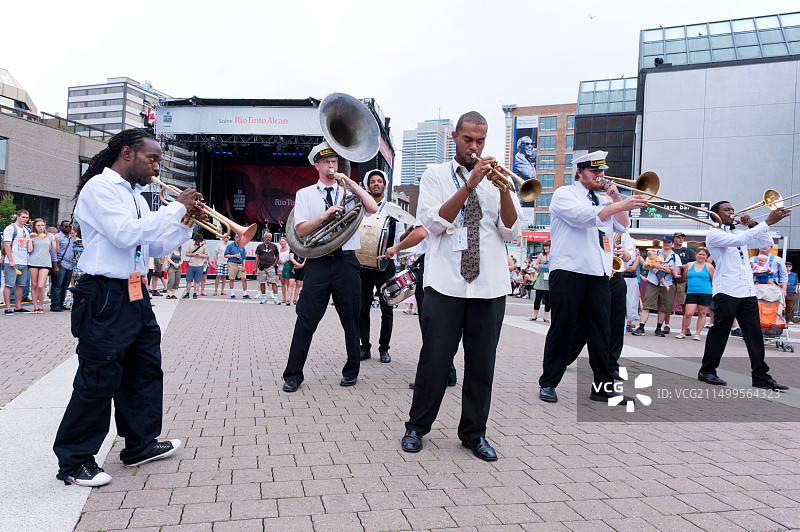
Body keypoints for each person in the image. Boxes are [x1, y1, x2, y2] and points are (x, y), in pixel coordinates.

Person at [53, 128, 200, 487]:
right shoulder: (100, 189)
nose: (155, 167)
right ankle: (74, 462)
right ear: (126, 154)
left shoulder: (135, 195)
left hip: (135, 292)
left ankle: (140, 444)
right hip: (103, 292)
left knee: (144, 370)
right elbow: (123, 233)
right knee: (98, 378)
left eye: (158, 161)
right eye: (152, 159)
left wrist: (185, 224)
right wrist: (178, 206)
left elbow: (149, 245)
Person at [401, 111, 522, 461]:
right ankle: (416, 427)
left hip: (488, 286)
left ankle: (474, 433)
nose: (474, 146)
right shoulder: (435, 174)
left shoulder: (496, 180)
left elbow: (510, 231)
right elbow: (435, 222)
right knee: (435, 361)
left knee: (482, 365)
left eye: (481, 140)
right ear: (454, 136)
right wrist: (470, 184)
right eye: (468, 139)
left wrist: (505, 192)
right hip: (446, 285)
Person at [538, 150, 648, 404]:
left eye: (602, 171)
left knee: (603, 332)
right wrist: (617, 204)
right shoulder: (564, 194)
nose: (600, 175)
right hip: (569, 272)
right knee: (563, 329)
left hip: (599, 273)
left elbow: (623, 226)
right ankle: (549, 382)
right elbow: (584, 218)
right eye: (594, 171)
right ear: (580, 172)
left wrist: (616, 197)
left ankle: (602, 388)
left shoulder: (602, 199)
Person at [281, 141, 378, 392]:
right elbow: (300, 230)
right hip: (318, 262)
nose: (331, 165)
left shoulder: (349, 190)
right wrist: (325, 215)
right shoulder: (305, 194)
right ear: (317, 165)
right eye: (326, 162)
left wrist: (353, 182)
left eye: (334, 161)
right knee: (305, 318)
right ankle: (293, 374)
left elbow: (372, 207)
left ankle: (352, 370)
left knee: (351, 319)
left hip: (346, 261)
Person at [698, 200, 790, 391]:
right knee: (720, 332)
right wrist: (767, 222)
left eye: (732, 208)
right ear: (716, 215)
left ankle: (760, 376)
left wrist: (753, 224)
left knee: (754, 334)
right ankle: (707, 371)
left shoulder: (740, 232)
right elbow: (737, 242)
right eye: (727, 210)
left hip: (747, 290)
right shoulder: (714, 234)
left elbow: (765, 243)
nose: (732, 212)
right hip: (727, 290)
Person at [386, 223, 458, 388]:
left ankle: (432, 376)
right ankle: (448, 372)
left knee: (429, 324)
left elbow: (421, 233)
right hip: (446, 262)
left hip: (431, 262)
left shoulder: (430, 201)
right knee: (442, 324)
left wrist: (396, 248)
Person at [566, 228, 636, 380]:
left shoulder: (621, 231)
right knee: (584, 323)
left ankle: (611, 364)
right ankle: (567, 356)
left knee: (616, 324)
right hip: (592, 275)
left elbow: (631, 255)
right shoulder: (591, 223)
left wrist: (624, 254)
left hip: (614, 276)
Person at [359, 169, 398, 364]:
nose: (376, 184)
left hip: (385, 266)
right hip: (363, 267)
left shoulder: (392, 209)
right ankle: (364, 347)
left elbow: (398, 236)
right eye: (373, 181)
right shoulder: (360, 207)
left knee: (387, 310)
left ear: (384, 185)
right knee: (362, 309)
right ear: (368, 186)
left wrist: (394, 250)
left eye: (379, 181)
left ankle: (384, 349)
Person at [632, 236, 682, 337]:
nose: (666, 244)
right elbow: (645, 266)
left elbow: (678, 271)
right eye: (664, 242)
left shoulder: (675, 256)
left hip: (667, 283)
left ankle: (659, 328)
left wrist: (666, 270)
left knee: (664, 307)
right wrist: (655, 266)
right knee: (647, 305)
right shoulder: (655, 253)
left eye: (668, 242)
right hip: (653, 282)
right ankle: (641, 327)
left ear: (672, 243)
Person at [676, 246, 714, 340]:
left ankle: (697, 333)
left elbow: (714, 280)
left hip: (705, 292)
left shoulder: (709, 266)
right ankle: (683, 332)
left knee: (702, 313)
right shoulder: (689, 265)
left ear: (706, 256)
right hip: (691, 292)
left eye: (703, 255)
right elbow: (685, 277)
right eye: (699, 254)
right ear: (696, 255)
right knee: (688, 313)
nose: (701, 256)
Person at [665, 232, 695, 334]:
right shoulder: (669, 250)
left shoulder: (688, 251)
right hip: (669, 279)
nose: (681, 239)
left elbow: (694, 265)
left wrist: (681, 266)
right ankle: (666, 325)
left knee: (684, 304)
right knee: (668, 303)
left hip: (683, 280)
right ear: (673, 239)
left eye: (682, 238)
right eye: (678, 237)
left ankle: (686, 327)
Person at [3, 209, 31, 315]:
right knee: (9, 284)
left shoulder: (26, 230)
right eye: (23, 217)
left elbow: (28, 246)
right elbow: (6, 245)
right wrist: (10, 260)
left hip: (23, 261)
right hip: (13, 260)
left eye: (27, 218)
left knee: (20, 285)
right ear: (18, 216)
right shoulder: (11, 228)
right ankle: (8, 307)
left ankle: (18, 307)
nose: (25, 219)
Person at [27, 218, 58, 314]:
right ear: (35, 227)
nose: (41, 227)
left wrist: (56, 241)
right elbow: (29, 250)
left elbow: (56, 250)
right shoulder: (32, 236)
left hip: (45, 262)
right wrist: (30, 239)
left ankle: (41, 306)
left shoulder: (49, 236)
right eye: (38, 225)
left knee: (41, 285)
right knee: (34, 285)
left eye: (42, 225)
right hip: (33, 262)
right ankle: (35, 306)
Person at [255, 232, 280, 305]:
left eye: (269, 237)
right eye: (266, 237)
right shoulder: (260, 246)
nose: (268, 238)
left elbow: (277, 255)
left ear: (271, 238)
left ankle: (276, 298)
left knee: (273, 282)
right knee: (262, 282)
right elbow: (257, 257)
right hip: (262, 267)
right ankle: (264, 298)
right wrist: (255, 267)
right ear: (264, 238)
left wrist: (275, 263)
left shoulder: (274, 246)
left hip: (271, 267)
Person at [530, 240, 551, 322]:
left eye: (547, 246)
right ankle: (535, 315)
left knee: (548, 299)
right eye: (544, 246)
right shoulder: (541, 255)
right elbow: (536, 264)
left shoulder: (553, 255)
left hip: (549, 279)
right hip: (541, 278)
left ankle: (545, 316)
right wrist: (537, 267)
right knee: (538, 298)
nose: (545, 248)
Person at [623, 247, 643, 332]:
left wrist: (622, 269)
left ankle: (628, 322)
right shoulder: (622, 254)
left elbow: (634, 268)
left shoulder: (637, 256)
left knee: (631, 301)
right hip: (622, 278)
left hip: (632, 279)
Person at [182, 233, 208, 299]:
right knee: (189, 280)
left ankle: (195, 293)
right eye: (196, 241)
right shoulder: (190, 245)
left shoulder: (203, 246)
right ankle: (187, 293)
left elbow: (206, 255)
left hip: (199, 265)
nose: (197, 242)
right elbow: (186, 254)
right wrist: (193, 254)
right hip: (191, 264)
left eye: (198, 241)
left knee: (197, 280)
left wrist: (200, 255)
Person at [225, 235, 250, 299]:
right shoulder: (230, 246)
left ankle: (245, 294)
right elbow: (225, 255)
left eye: (240, 238)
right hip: (232, 263)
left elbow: (244, 258)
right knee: (232, 279)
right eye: (237, 237)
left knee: (244, 278)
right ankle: (232, 294)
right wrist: (234, 256)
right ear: (234, 238)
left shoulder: (242, 246)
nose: (238, 239)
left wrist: (243, 266)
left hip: (239, 264)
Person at [277, 236, 292, 305]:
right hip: (280, 267)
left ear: (286, 242)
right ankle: (284, 298)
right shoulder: (279, 250)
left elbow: (291, 258)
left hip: (287, 267)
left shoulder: (289, 249)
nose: (282, 242)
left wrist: (287, 261)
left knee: (288, 283)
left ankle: (288, 298)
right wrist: (278, 261)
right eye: (281, 241)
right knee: (282, 283)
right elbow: (277, 259)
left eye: (283, 241)